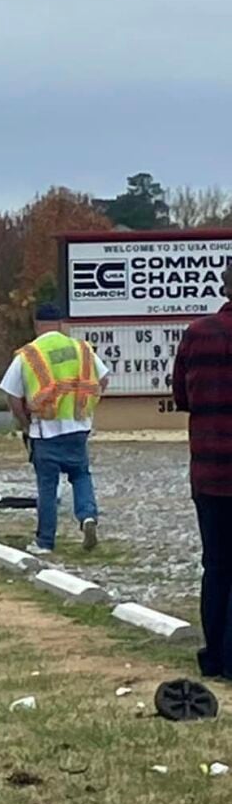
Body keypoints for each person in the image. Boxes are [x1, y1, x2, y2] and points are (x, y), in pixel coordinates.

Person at [0, 301, 109, 556]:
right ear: (60, 323)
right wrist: (88, 404)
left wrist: (24, 424)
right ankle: (87, 517)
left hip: (45, 430)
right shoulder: (81, 349)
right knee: (81, 475)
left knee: (47, 488)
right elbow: (103, 378)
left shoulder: (29, 354)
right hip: (78, 426)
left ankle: (45, 542)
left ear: (37, 324)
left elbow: (12, 395)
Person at [173, 262, 232, 681]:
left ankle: (215, 655)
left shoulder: (197, 333)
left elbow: (181, 396)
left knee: (217, 565)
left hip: (210, 470)